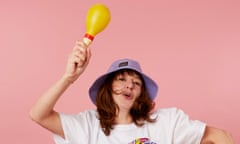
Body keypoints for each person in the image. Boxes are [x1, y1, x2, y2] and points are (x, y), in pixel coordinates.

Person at [30, 40, 234, 144]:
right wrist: (69, 77)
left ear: (141, 94)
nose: (130, 85)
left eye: (136, 83)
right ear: (108, 88)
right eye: (121, 79)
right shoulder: (87, 125)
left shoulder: (168, 122)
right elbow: (38, 115)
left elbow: (221, 136)